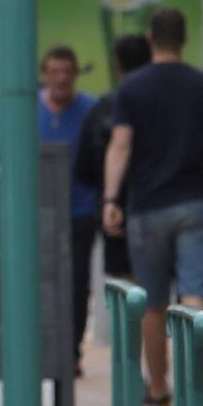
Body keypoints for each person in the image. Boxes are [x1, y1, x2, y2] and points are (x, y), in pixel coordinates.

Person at [101, 8, 203, 406]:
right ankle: (195, 391)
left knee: (154, 302)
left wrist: (111, 200)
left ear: (149, 38)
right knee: (195, 293)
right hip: (196, 201)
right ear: (185, 38)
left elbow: (120, 145)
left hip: (146, 206)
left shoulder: (132, 89)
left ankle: (159, 389)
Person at [37, 46, 97, 374]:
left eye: (67, 71)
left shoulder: (91, 109)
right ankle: (45, 347)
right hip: (41, 212)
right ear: (45, 74)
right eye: (54, 71)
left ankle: (71, 351)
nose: (61, 78)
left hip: (81, 209)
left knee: (77, 282)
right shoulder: (30, 110)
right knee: (42, 280)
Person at [75, 33, 151, 284]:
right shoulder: (163, 101)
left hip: (117, 213)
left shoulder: (103, 108)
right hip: (157, 201)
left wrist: (109, 199)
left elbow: (84, 168)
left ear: (117, 65)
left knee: (127, 291)